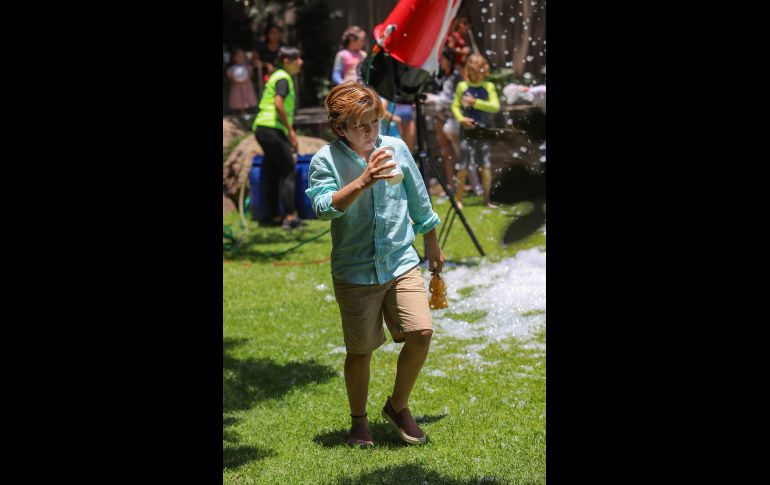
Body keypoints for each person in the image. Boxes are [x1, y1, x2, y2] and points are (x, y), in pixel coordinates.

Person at [306, 81, 445, 447]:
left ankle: (397, 406)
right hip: (355, 271)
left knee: (421, 333)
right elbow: (323, 208)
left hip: (400, 260)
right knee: (361, 351)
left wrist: (432, 242)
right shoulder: (326, 159)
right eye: (362, 125)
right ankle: (358, 422)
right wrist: (363, 180)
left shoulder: (395, 148)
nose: (371, 132)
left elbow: (418, 197)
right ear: (340, 129)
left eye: (375, 122)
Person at [252, 46, 305, 230]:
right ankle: (290, 217)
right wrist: (290, 130)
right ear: (286, 61)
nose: (300, 62)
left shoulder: (276, 75)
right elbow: (278, 104)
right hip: (272, 128)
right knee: (289, 169)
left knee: (273, 171)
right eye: (296, 59)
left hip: (262, 128)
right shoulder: (283, 77)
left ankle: (272, 216)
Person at [451, 54, 500, 208]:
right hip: (467, 131)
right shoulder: (462, 87)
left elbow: (495, 106)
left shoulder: (488, 86)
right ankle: (459, 200)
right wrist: (461, 119)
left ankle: (487, 200)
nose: (477, 76)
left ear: (484, 71)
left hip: (483, 130)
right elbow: (455, 106)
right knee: (464, 166)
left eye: (480, 73)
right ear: (469, 71)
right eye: (474, 73)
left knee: (485, 167)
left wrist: (475, 102)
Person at [425, 47, 463, 193]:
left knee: (460, 153)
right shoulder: (439, 77)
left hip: (454, 118)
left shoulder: (456, 77)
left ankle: (466, 185)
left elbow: (453, 99)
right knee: (446, 152)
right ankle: (451, 186)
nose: (439, 62)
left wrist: (433, 99)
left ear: (449, 59)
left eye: (441, 59)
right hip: (440, 118)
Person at [226, 49, 258, 117]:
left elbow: (250, 75)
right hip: (236, 87)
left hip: (246, 87)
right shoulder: (231, 68)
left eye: (243, 57)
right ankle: (239, 112)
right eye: (239, 57)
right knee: (238, 99)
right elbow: (230, 77)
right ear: (234, 58)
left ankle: (245, 111)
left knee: (246, 98)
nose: (241, 59)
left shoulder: (247, 67)